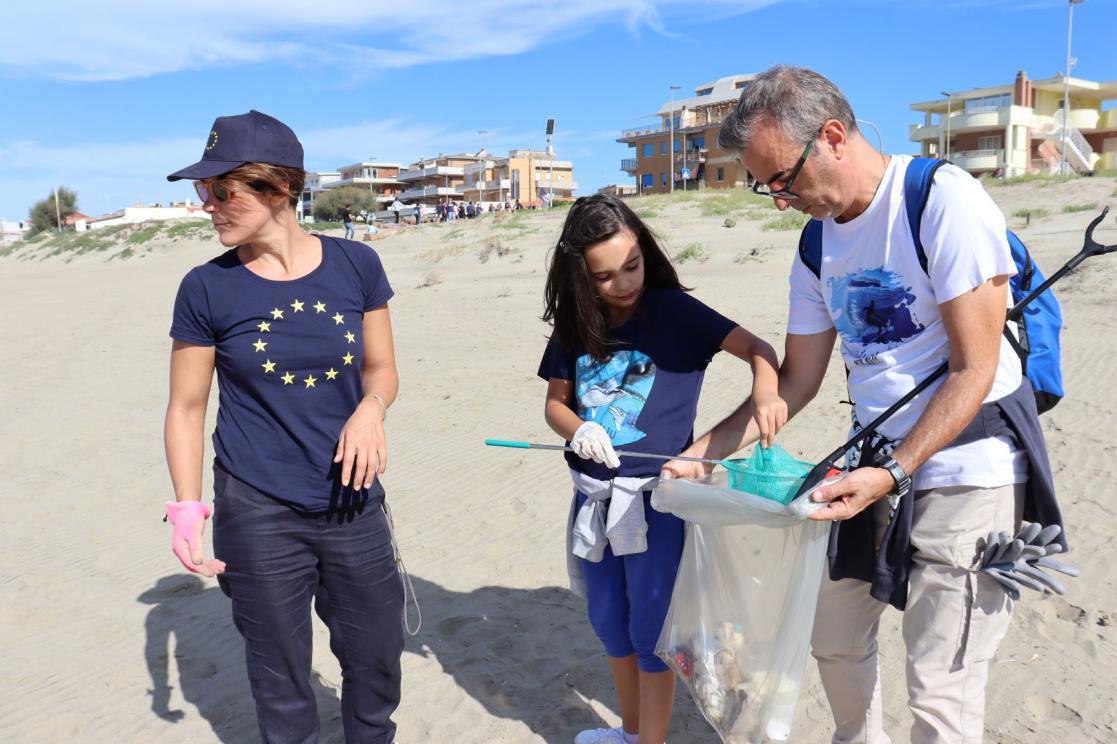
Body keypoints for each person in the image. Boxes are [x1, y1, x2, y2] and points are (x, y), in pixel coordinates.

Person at [666, 65, 1063, 744]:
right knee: (833, 636)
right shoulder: (817, 245)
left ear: (830, 137)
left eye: (781, 179)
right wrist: (698, 457)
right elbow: (796, 381)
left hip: (969, 465)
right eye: (764, 187)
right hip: (870, 468)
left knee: (942, 684)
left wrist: (895, 470)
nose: (779, 201)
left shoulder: (943, 201)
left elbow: (974, 370)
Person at [163, 110, 404, 744]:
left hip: (353, 501)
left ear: (279, 189)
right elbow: (187, 407)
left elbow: (382, 370)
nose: (208, 206)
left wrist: (370, 409)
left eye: (221, 191)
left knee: (377, 660)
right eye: (202, 192)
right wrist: (187, 505)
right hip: (256, 505)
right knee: (281, 682)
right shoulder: (205, 288)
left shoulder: (356, 266)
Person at [538, 194, 787, 744]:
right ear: (580, 277)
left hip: (658, 502)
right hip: (594, 501)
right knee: (608, 622)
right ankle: (630, 734)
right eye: (605, 277)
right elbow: (556, 404)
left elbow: (758, 348)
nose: (624, 283)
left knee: (652, 630)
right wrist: (578, 428)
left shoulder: (673, 310)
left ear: (645, 251)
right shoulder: (576, 324)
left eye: (633, 265)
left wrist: (766, 390)